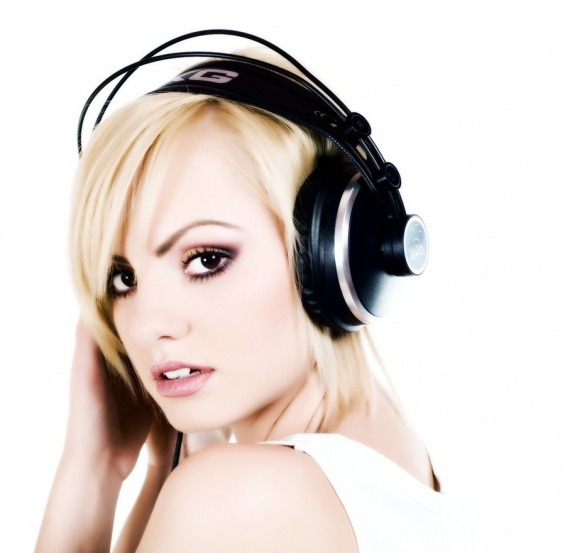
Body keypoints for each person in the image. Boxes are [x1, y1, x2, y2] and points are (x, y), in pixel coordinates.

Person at [35, 31, 451, 552]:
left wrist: (92, 471)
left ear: (333, 254)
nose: (147, 325)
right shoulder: (396, 461)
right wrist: (160, 471)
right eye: (123, 278)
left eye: (206, 259)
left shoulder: (232, 496)